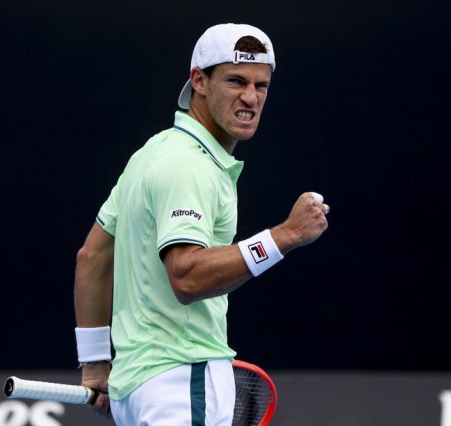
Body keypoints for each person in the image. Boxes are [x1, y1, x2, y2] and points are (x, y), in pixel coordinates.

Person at [73, 23, 329, 425]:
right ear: (199, 81)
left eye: (261, 85)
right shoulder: (189, 165)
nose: (251, 97)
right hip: (182, 380)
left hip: (136, 388)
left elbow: (92, 258)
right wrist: (286, 236)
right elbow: (187, 278)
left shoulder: (151, 153)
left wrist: (94, 364)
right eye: (235, 81)